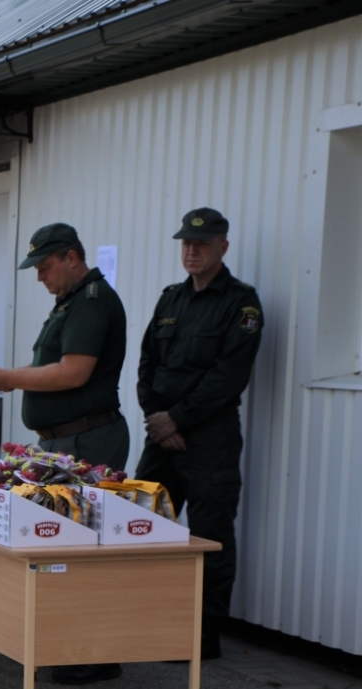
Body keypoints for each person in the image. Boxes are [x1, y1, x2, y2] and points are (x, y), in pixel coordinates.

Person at [0, 223, 128, 685]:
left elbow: (74, 372)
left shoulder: (91, 301)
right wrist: (6, 376)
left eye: (45, 266)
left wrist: (8, 378)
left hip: (87, 440)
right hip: (64, 441)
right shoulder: (70, 303)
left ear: (72, 258)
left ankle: (97, 652)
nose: (40, 276)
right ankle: (65, 642)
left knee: (86, 547)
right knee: (60, 544)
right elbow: (49, 367)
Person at [135, 208, 262, 661]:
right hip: (162, 434)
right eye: (186, 243)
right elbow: (147, 365)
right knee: (142, 526)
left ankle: (200, 639)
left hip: (211, 439)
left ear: (222, 247)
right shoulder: (171, 299)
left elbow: (229, 375)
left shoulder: (241, 304)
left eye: (202, 244)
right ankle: (145, 622)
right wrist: (157, 418)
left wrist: (178, 419)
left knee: (209, 537)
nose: (192, 251)